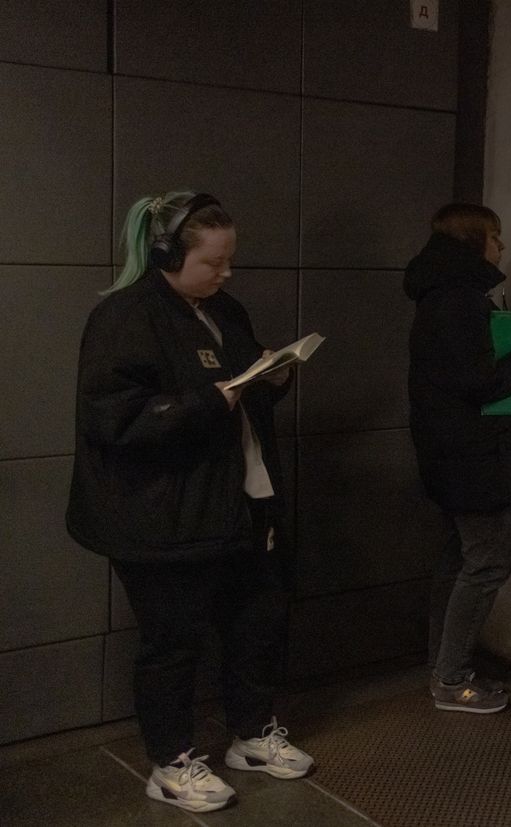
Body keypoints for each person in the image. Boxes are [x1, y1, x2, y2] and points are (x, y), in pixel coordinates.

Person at [67, 192, 313, 814]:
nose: (226, 273)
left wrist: (271, 376)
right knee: (172, 641)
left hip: (240, 501)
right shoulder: (126, 316)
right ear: (165, 255)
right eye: (213, 262)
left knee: (257, 620)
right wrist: (209, 401)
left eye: (230, 261)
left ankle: (251, 734)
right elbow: (111, 421)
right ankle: (169, 761)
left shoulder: (224, 310)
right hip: (162, 515)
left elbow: (237, 392)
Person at [406, 203, 511, 714]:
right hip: (477, 456)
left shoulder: (440, 297)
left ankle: (442, 663)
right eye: (496, 237)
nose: (502, 248)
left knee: (458, 558)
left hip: (453, 455)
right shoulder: (459, 302)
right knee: (489, 561)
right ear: (474, 243)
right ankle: (451, 678)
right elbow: (481, 382)